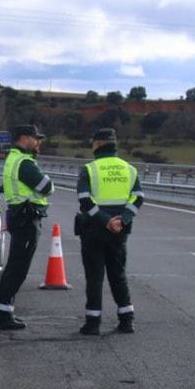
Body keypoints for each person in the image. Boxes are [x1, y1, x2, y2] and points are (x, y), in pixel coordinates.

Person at [75, 127, 144, 335]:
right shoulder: (129, 169)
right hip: (119, 232)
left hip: (94, 231)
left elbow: (85, 200)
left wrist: (106, 221)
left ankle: (93, 323)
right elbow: (138, 198)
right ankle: (126, 320)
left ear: (97, 144)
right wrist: (122, 220)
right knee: (118, 275)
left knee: (94, 277)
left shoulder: (89, 169)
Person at [0, 124, 54, 330]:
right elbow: (47, 187)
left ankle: (5, 311)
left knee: (15, 266)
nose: (38, 143)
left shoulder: (13, 158)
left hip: (19, 217)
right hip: (27, 219)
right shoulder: (25, 163)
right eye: (35, 138)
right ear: (23, 138)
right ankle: (3, 315)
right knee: (18, 268)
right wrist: (47, 180)